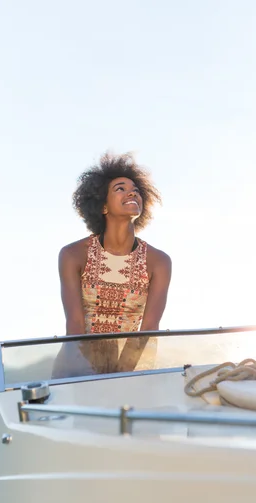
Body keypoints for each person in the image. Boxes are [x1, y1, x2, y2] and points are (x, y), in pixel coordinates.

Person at [55, 152, 172, 375]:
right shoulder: (73, 255)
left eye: (136, 190)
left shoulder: (159, 262)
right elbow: (75, 324)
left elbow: (148, 328)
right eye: (120, 188)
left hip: (131, 368)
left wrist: (118, 377)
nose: (132, 192)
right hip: (77, 367)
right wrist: (90, 376)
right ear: (103, 206)